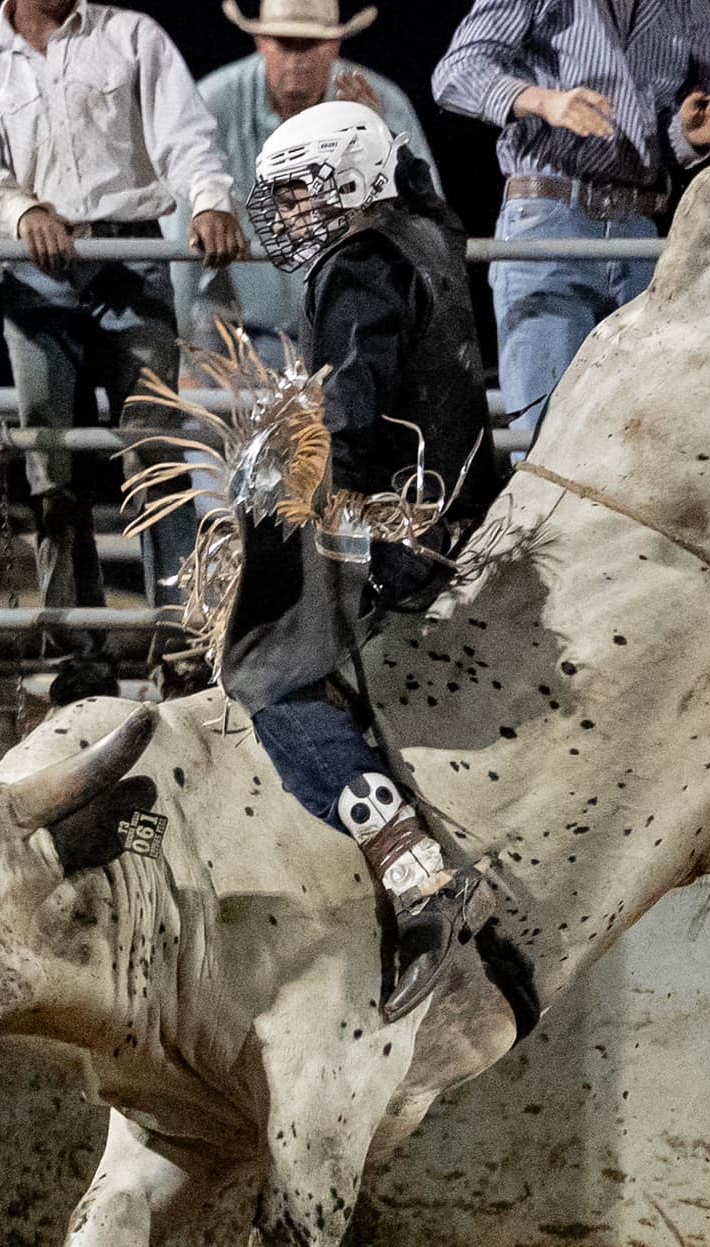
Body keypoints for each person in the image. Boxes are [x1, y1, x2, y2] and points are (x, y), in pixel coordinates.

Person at [222, 101, 502, 1019]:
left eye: (301, 193)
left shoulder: (357, 271)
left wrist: (277, 479)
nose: (289, 214)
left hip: (398, 521)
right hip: (462, 495)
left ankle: (415, 876)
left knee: (264, 673)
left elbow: (349, 420)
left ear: (349, 182)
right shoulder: (427, 234)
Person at [0, 0, 246, 640]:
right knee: (52, 461)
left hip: (129, 254)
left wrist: (210, 199)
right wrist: (19, 211)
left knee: (154, 447)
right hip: (35, 269)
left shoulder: (132, 35)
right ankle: (80, 649)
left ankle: (183, 637)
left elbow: (184, 133)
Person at [432, 0, 710, 440]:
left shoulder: (689, 7)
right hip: (550, 223)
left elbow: (671, 121)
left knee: (640, 446)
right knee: (546, 444)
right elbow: (455, 73)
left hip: (640, 233)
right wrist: (545, 101)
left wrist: (686, 133)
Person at [173, 0, 438, 363]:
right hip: (236, 329)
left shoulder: (382, 105)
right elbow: (181, 229)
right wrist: (181, 352)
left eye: (310, 45)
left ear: (335, 47)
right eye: (285, 43)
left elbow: (424, 215)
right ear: (261, 43)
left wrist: (377, 139)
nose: (297, 60)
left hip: (351, 329)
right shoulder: (215, 102)